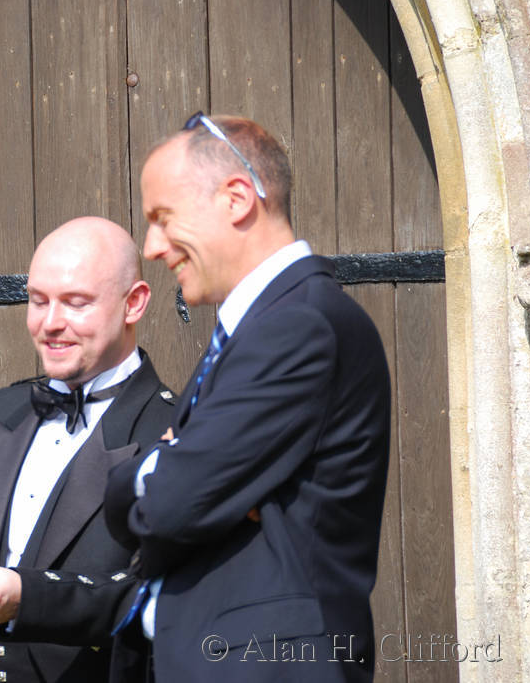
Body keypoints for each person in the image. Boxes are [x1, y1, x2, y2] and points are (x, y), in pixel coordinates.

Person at [104, 114, 391, 682]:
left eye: (163, 219)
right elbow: (171, 497)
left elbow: (173, 504)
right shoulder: (258, 329)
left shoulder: (298, 325)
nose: (152, 247)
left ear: (236, 199)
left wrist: (163, 468)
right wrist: (168, 469)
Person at [0, 217, 177, 683]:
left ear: (134, 303)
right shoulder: (2, 411)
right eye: (38, 301)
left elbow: (162, 593)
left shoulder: (173, 430)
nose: (50, 323)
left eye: (76, 303)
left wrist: (27, 599)